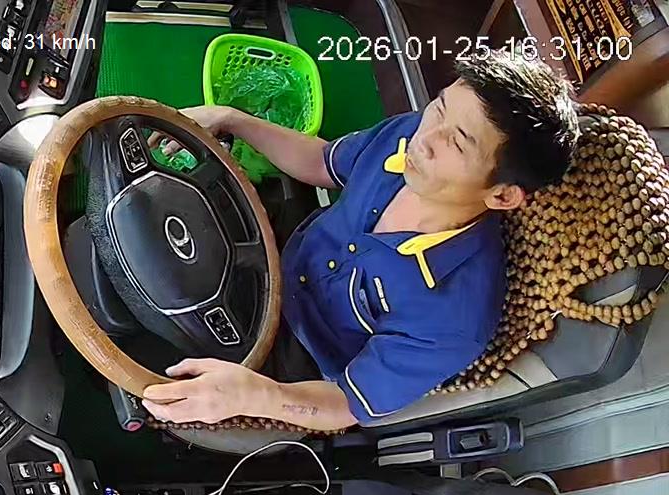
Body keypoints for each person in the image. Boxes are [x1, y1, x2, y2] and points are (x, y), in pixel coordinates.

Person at [142, 51, 580, 431]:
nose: (426, 139)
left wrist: (252, 395)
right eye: (440, 107)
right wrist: (231, 119)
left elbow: (346, 404)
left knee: (147, 346)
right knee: (148, 217)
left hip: (292, 362)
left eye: (459, 144)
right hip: (274, 252)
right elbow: (321, 161)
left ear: (502, 196)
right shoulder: (411, 137)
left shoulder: (455, 319)